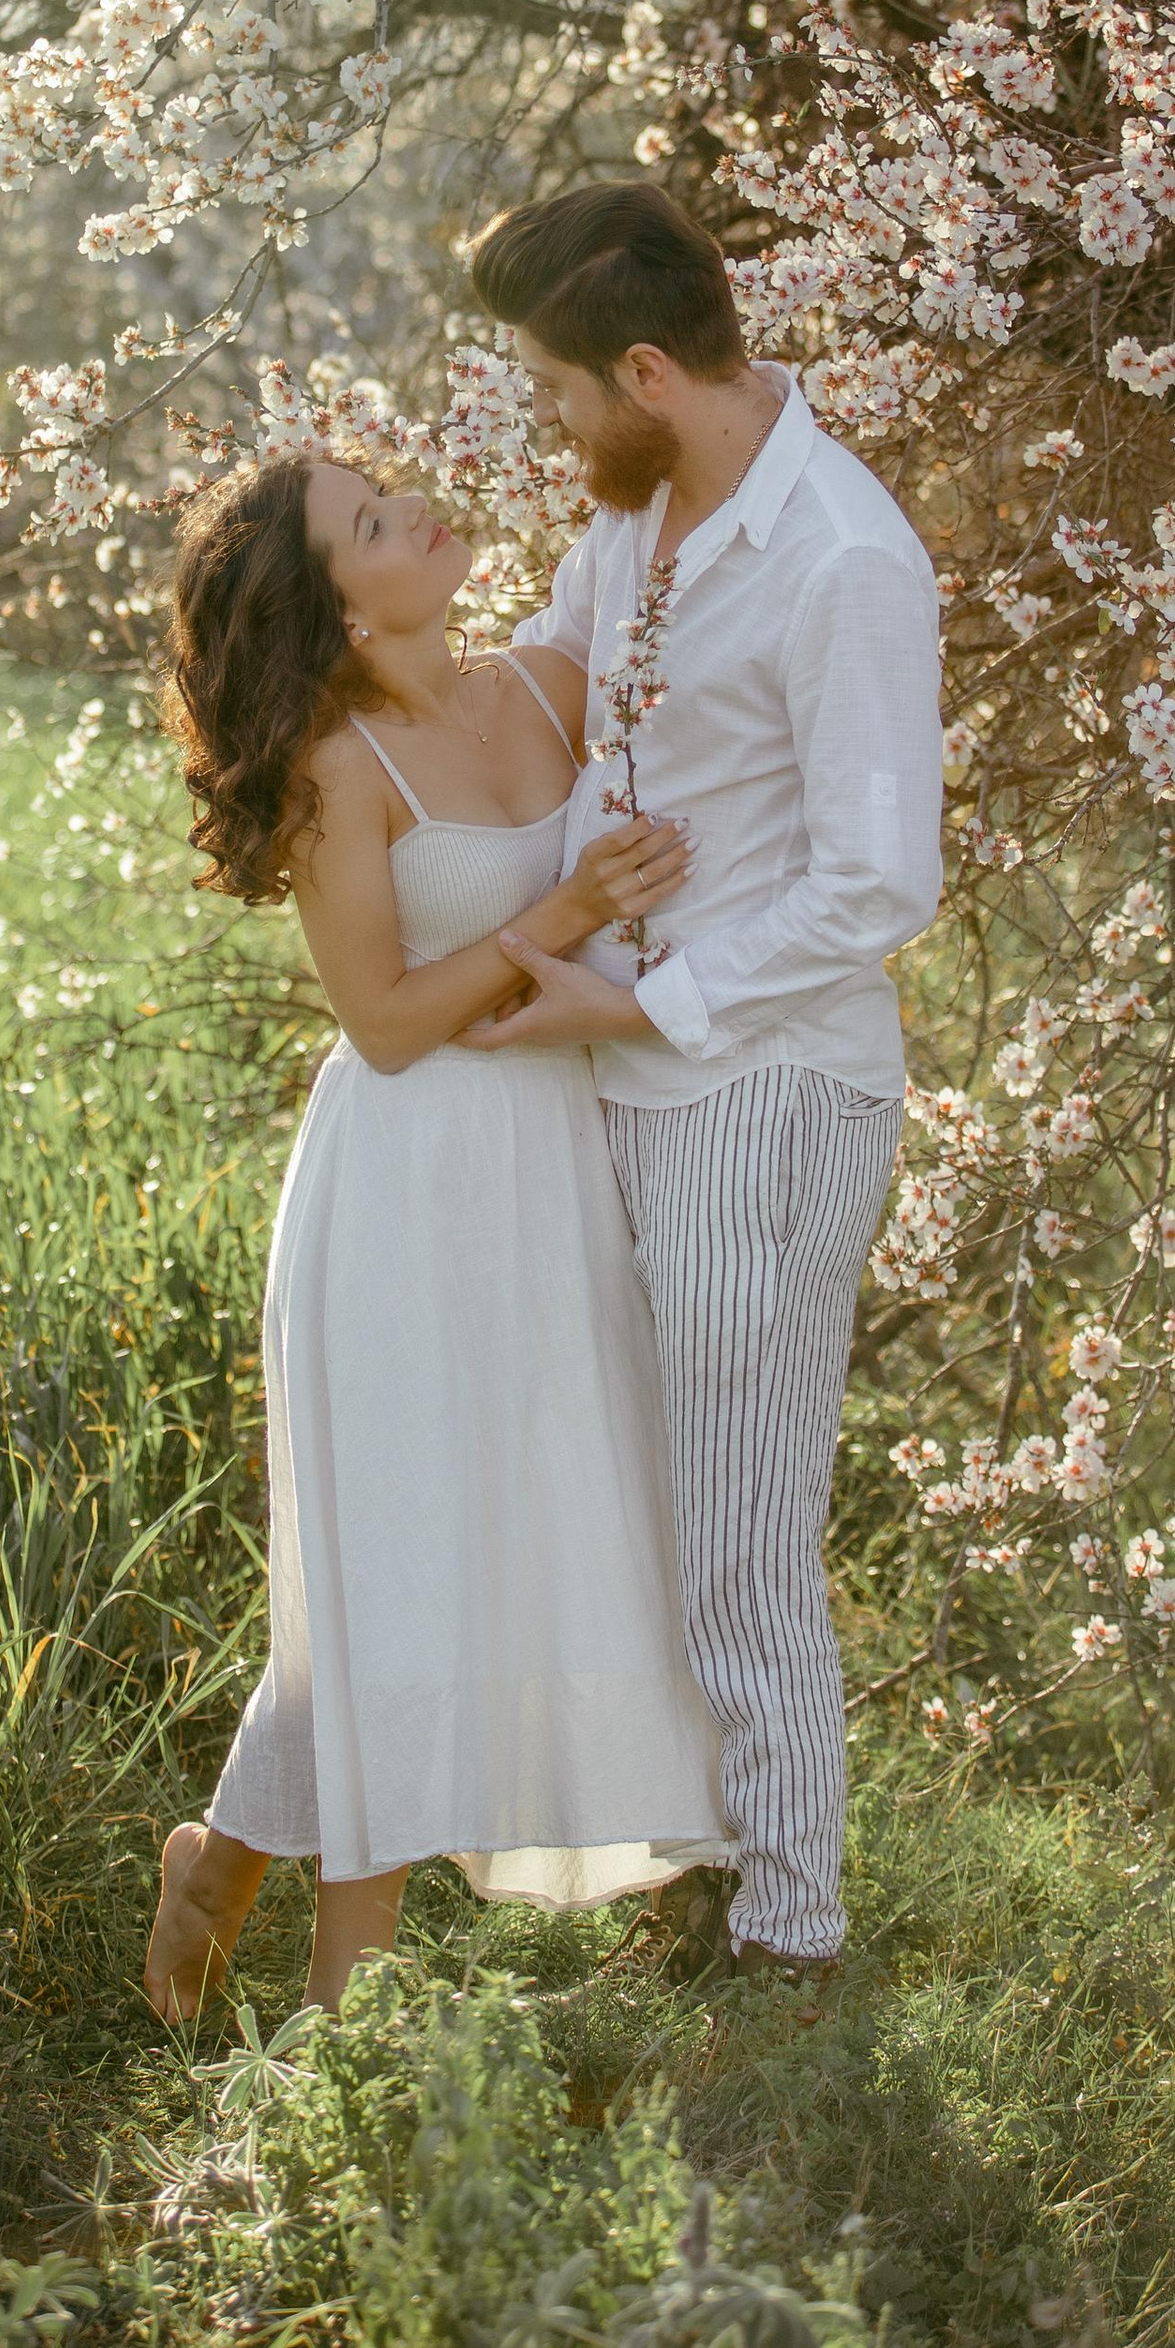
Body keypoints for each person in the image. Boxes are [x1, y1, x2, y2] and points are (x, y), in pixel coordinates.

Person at [142, 455, 732, 2025]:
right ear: (336, 603)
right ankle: (352, 2032)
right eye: (372, 521)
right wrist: (562, 909)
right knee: (397, 1572)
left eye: (391, 488)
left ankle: (216, 1863)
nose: (415, 509)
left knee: (505, 1542)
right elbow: (388, 1023)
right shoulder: (343, 765)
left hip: (555, 1168)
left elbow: (675, 566)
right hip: (403, 1191)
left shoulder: (544, 686)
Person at [459, 179, 945, 1996]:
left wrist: (652, 1002)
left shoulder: (842, 559)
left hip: (763, 1085)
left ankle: (793, 1933)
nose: (551, 426)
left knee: (740, 1510)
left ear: (646, 369)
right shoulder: (648, 509)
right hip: (631, 1071)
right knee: (648, 1497)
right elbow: (564, 694)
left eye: (562, 392)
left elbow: (884, 881)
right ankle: (705, 1853)